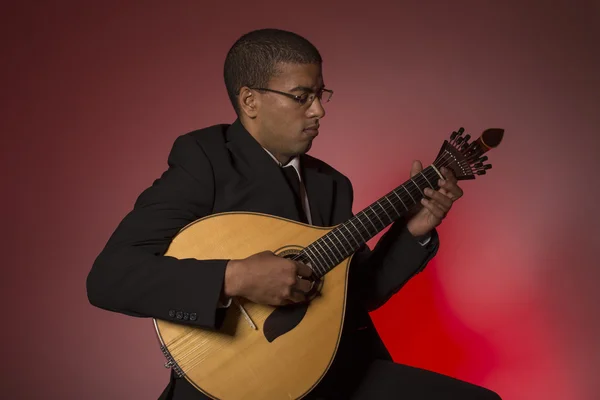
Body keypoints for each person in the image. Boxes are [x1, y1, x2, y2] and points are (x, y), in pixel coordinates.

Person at [86, 28, 501, 400]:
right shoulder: (206, 161)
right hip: (235, 383)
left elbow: (358, 294)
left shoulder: (330, 184)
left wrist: (413, 230)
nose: (319, 110)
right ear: (250, 100)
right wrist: (236, 277)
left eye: (321, 95)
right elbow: (111, 277)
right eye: (302, 97)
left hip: (328, 372)